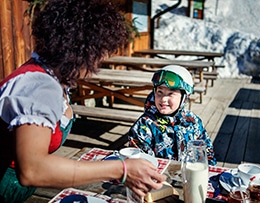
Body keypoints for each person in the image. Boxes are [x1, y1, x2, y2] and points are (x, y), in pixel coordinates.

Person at [0, 0, 166, 202]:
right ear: (81, 50)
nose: (98, 63)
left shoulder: (49, 75)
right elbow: (33, 170)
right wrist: (121, 169)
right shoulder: (40, 86)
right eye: (99, 55)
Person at [128, 65, 217, 166]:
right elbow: (139, 162)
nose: (163, 99)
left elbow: (207, 154)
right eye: (159, 92)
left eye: (170, 94)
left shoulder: (193, 122)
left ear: (184, 97)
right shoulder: (144, 125)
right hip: (157, 178)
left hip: (190, 176)